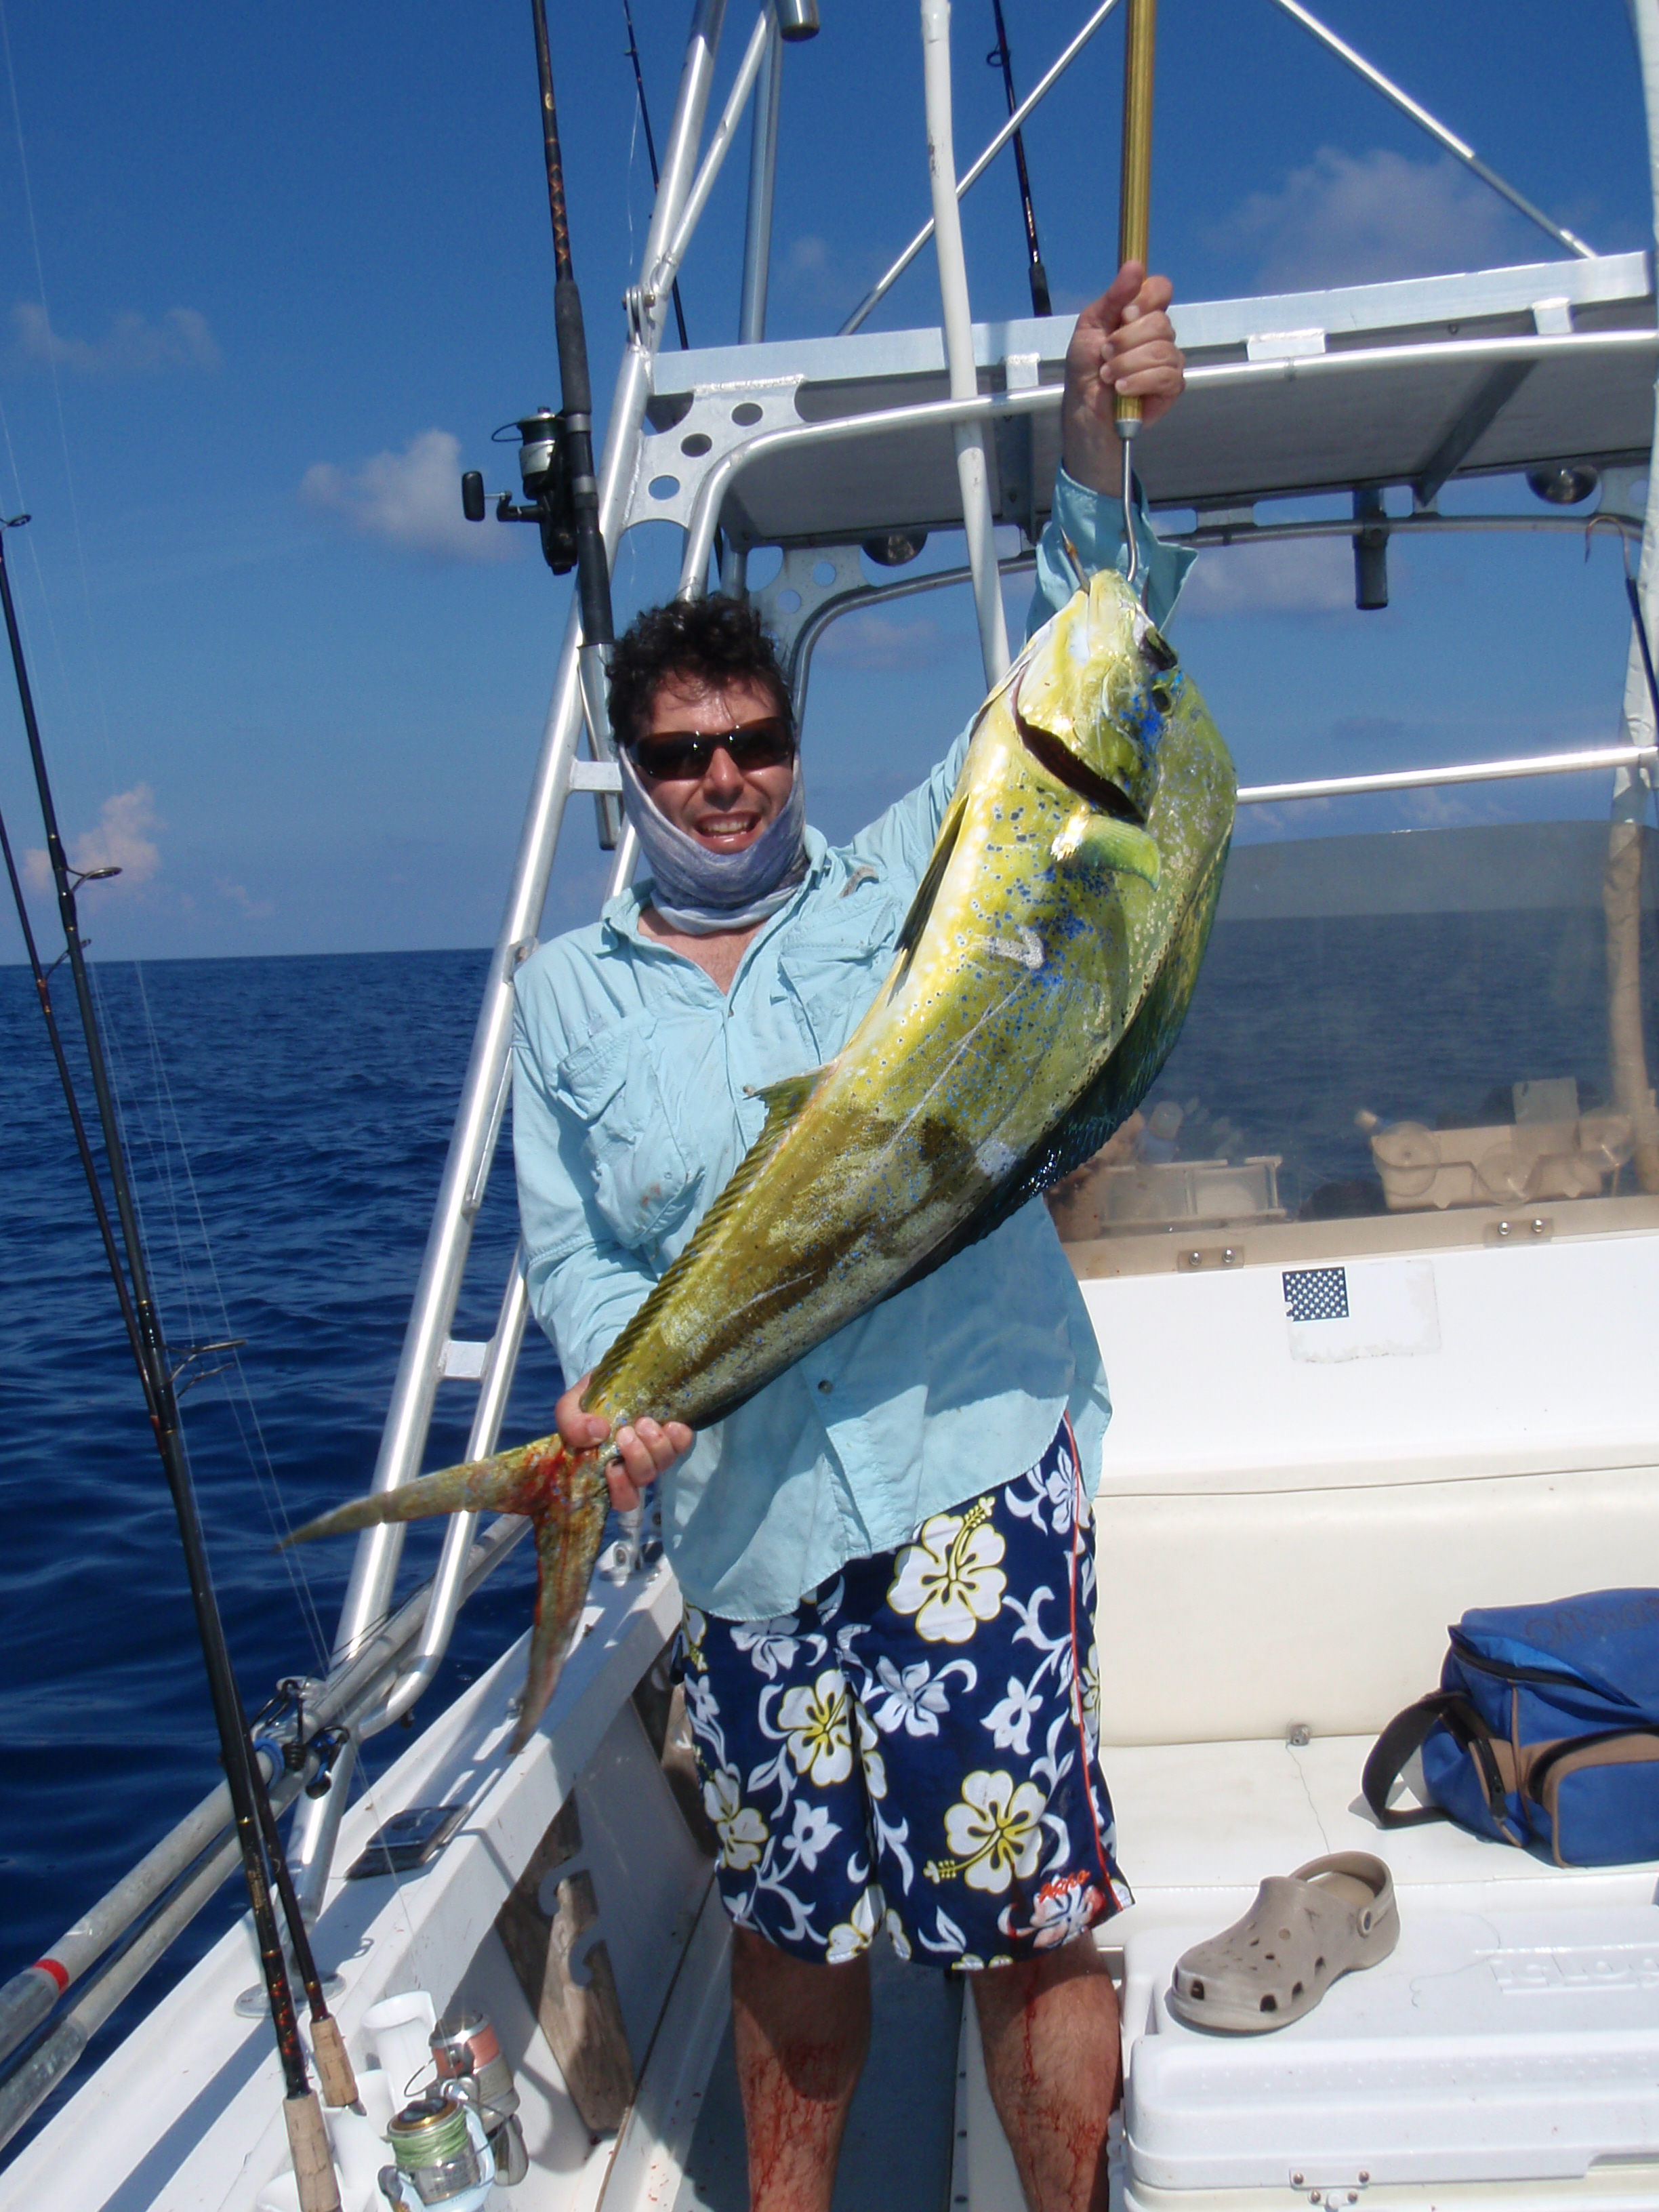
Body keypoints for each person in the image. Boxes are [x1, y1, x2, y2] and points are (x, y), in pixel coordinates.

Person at [511, 262, 1188, 2212]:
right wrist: (613, 1416)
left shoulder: (915, 878)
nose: (725, 777)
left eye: (754, 740)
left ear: (794, 746)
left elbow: (1091, 651)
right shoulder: (565, 1003)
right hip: (741, 1525)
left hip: (964, 1469)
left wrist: (1097, 433)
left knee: (1029, 1906)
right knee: (797, 1929)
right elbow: (582, 1263)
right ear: (629, 774)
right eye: (682, 753)